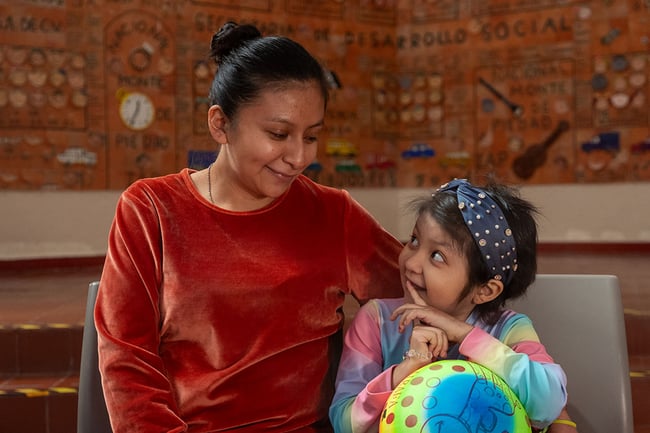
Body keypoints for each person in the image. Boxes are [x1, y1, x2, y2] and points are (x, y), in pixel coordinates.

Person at [94, 22, 404, 432]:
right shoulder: (150, 209)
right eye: (278, 134)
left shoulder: (334, 214)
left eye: (311, 137)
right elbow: (127, 358)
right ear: (220, 124)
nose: (297, 157)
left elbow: (417, 294)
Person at [329, 178, 573, 433]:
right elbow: (343, 422)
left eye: (437, 256)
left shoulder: (510, 329)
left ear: (485, 290)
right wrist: (405, 370)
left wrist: (467, 336)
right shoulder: (377, 320)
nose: (411, 263)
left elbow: (549, 404)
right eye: (414, 240)